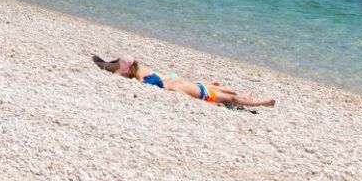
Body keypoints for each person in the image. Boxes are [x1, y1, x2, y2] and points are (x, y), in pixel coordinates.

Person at [93, 56, 275, 109]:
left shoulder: (167, 85)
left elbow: (185, 96)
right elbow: (190, 99)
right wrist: (214, 106)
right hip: (203, 91)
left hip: (200, 88)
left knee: (233, 95)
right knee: (232, 97)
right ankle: (261, 103)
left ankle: (249, 99)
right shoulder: (158, 79)